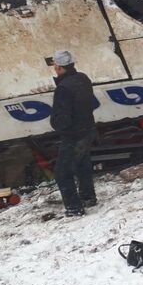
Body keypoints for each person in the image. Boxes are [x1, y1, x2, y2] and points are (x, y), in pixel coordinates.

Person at [50, 50, 98, 217]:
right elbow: (93, 103)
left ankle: (74, 207)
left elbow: (63, 118)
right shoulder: (83, 79)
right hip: (88, 129)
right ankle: (88, 197)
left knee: (62, 173)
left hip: (73, 135)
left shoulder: (63, 88)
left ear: (58, 66)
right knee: (82, 164)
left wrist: (56, 125)